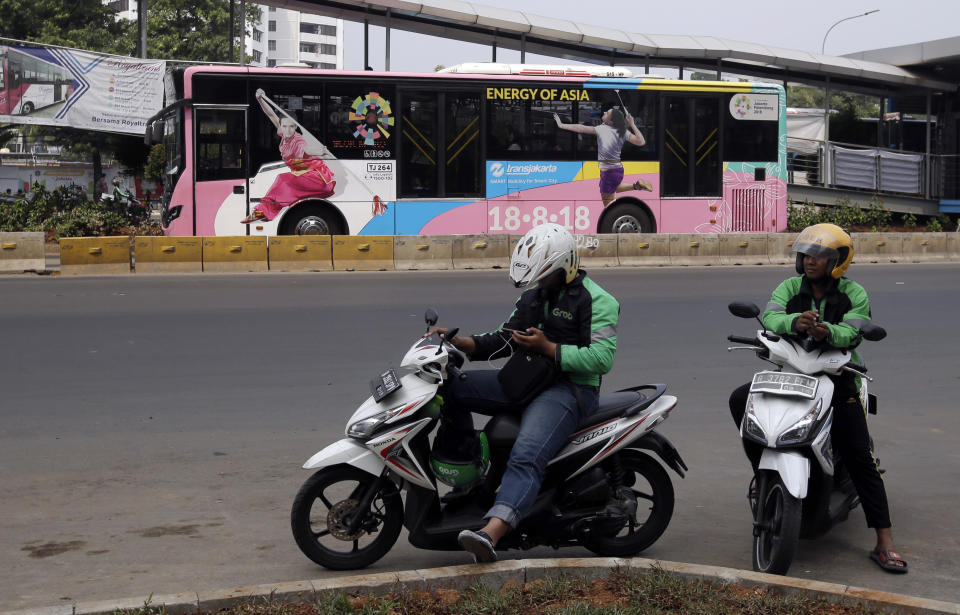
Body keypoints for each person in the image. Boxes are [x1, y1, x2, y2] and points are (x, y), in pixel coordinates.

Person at [425, 222, 620, 563]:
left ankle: (492, 533)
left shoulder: (599, 301)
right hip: (524, 380)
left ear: (565, 266)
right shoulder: (533, 296)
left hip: (569, 390)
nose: (540, 285)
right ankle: (469, 477)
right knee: (451, 386)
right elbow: (502, 338)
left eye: (545, 277)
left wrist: (549, 348)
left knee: (527, 452)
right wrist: (458, 342)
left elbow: (602, 359)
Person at [728, 223, 907, 574]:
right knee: (740, 400)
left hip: (837, 377)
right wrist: (796, 322)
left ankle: (884, 542)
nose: (810, 261)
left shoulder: (854, 293)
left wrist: (830, 331)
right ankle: (761, 476)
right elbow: (773, 315)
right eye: (806, 255)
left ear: (837, 261)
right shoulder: (790, 287)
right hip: (793, 372)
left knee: (859, 456)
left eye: (819, 256)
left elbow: (856, 330)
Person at [241, 89, 336, 224]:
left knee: (282, 179)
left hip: (317, 177)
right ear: (281, 126)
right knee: (284, 191)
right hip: (302, 175)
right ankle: (262, 213)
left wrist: (320, 151)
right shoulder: (283, 133)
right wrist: (260, 99)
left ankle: (261, 212)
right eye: (285, 126)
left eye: (292, 127)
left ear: (295, 127)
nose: (288, 130)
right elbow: (271, 114)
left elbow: (306, 148)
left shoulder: (298, 140)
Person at [553, 107, 652, 207]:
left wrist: (562, 125)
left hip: (609, 172)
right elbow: (641, 142)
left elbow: (581, 128)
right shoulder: (622, 131)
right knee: (614, 188)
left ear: (611, 120)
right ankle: (637, 186)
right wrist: (632, 124)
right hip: (617, 170)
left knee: (608, 207)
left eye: (607, 112)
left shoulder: (602, 129)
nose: (604, 112)